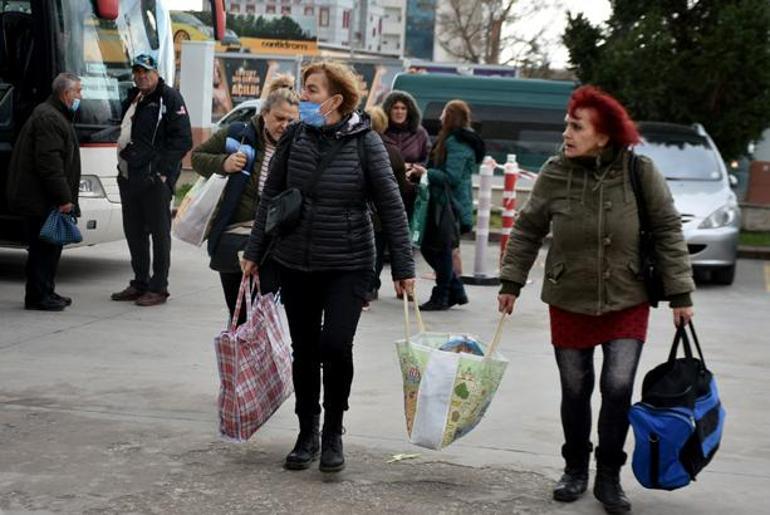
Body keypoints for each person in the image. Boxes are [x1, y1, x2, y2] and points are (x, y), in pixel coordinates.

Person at [497, 85, 695, 514]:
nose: (565, 133)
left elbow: (666, 231)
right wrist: (511, 281)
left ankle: (609, 475)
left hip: (628, 298)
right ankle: (574, 468)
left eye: (575, 126)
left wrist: (680, 292)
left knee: (618, 386)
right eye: (567, 124)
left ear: (603, 134)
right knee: (576, 388)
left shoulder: (639, 172)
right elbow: (529, 228)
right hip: (569, 297)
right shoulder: (554, 171)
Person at [241, 61, 415, 474]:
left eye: (312, 90)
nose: (303, 97)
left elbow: (391, 205)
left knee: (335, 346)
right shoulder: (294, 137)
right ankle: (308, 432)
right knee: (304, 350)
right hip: (296, 260)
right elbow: (270, 196)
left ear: (335, 100)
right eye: (304, 89)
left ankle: (334, 429)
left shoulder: (366, 143)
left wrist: (403, 266)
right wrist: (254, 250)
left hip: (348, 264)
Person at [191, 75, 299, 320]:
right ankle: (240, 354)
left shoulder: (299, 146)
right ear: (264, 114)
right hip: (234, 235)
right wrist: (224, 163)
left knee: (264, 313)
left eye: (291, 121)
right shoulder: (238, 135)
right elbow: (197, 157)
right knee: (239, 312)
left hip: (275, 240)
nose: (284, 125)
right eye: (279, 118)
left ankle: (261, 355)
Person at [111, 54, 193, 307]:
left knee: (159, 234)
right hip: (129, 176)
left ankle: (159, 287)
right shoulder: (135, 97)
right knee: (134, 232)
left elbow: (183, 140)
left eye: (146, 71)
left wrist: (162, 172)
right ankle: (140, 282)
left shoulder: (169, 98)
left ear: (156, 72)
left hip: (154, 180)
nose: (141, 76)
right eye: (137, 71)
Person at [6, 73, 82, 311]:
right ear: (65, 93)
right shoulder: (50, 118)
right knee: (43, 249)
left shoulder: (54, 114)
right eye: (78, 91)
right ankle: (38, 295)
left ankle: (46, 291)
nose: (81, 96)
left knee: (51, 246)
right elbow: (49, 164)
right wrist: (64, 198)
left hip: (43, 198)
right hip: (41, 199)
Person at [419, 100, 484, 311]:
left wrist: (425, 172)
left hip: (449, 205)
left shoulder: (457, 142)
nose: (439, 118)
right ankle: (454, 291)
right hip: (446, 203)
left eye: (444, 113)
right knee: (435, 249)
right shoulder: (456, 140)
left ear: (451, 117)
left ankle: (444, 294)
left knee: (437, 249)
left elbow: (452, 177)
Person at [363, 105, 408, 306]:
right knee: (377, 252)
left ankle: (365, 286)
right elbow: (401, 187)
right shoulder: (393, 151)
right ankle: (372, 285)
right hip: (381, 213)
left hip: (362, 211)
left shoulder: (356, 146)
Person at [381, 90, 430, 219]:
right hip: (383, 189)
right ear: (388, 110)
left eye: (403, 108)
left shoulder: (419, 133)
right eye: (395, 108)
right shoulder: (381, 131)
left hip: (410, 190)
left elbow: (427, 158)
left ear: (409, 111)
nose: (399, 112)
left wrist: (413, 168)